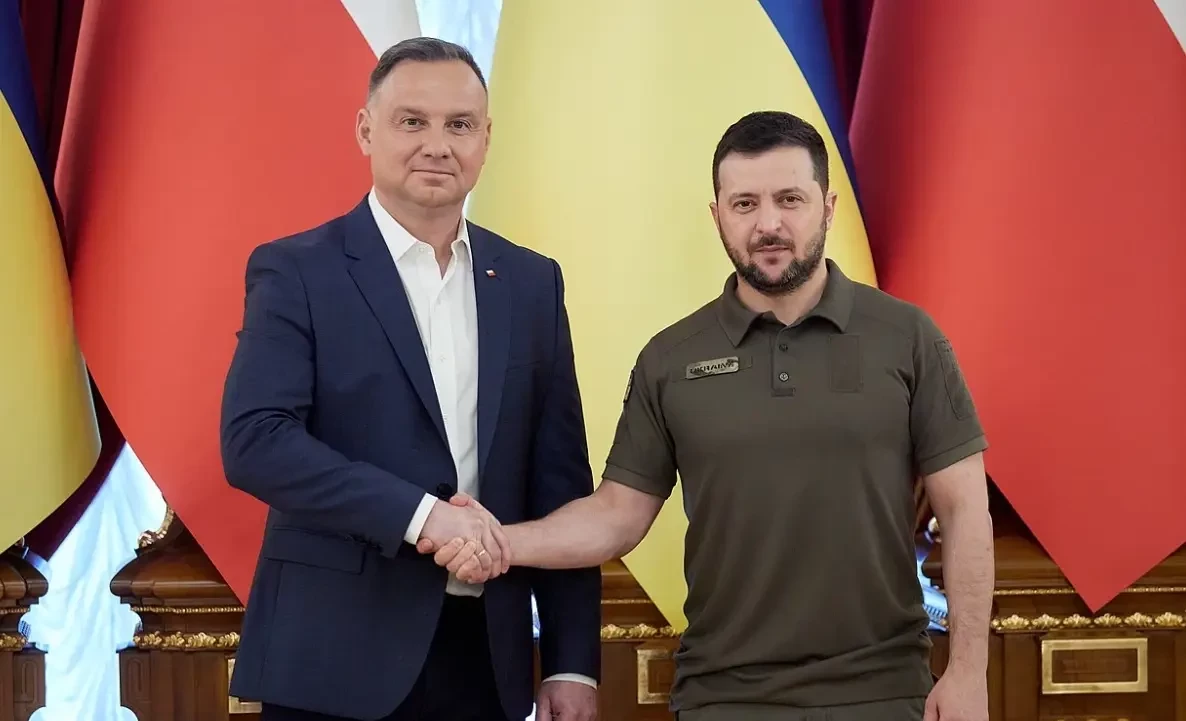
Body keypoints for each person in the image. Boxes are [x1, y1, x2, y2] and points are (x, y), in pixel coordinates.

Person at [426, 111, 993, 721]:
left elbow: (964, 510)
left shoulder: (908, 338)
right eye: (745, 204)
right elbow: (616, 517)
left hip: (885, 693)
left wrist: (968, 673)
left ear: (827, 208)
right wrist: (498, 541)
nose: (768, 224)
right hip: (721, 696)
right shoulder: (671, 359)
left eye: (790, 199)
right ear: (717, 215)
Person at [220, 38, 600, 721]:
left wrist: (571, 661)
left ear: (486, 139)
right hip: (334, 658)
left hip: (486, 660)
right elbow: (256, 441)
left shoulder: (531, 282)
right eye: (412, 121)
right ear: (366, 130)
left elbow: (560, 481)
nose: (437, 145)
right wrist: (424, 516)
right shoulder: (296, 270)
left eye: (460, 125)